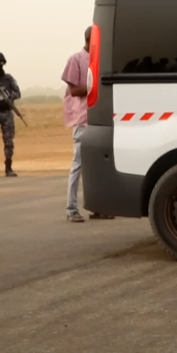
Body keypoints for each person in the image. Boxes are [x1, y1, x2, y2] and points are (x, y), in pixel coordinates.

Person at [61, 27, 113, 222]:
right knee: (78, 164)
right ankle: (71, 208)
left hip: (99, 119)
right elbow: (74, 90)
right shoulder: (75, 60)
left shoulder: (100, 60)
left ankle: (97, 208)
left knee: (98, 166)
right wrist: (94, 87)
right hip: (82, 119)